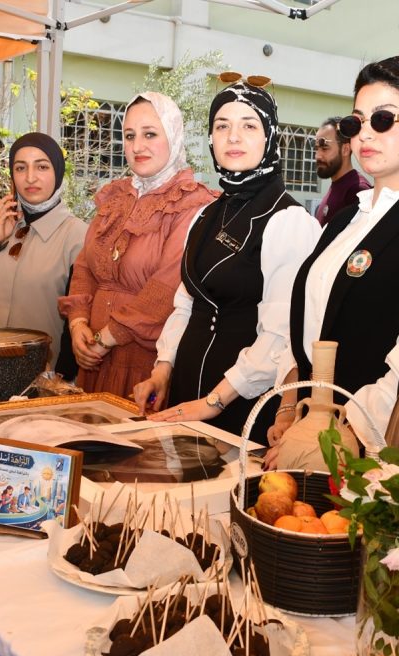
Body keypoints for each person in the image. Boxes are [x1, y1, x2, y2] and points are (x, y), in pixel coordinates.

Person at [266, 54, 399, 458]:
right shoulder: (344, 221)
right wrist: (291, 407)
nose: (365, 134)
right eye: (356, 122)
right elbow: (307, 326)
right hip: (310, 431)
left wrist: (335, 436)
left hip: (368, 454)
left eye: (383, 119)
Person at [133, 78, 321, 439]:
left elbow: (280, 336)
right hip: (187, 397)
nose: (233, 137)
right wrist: (163, 369)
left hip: (241, 408)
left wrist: (213, 401)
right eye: (222, 126)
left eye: (248, 126)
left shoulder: (290, 222)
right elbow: (186, 305)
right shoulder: (205, 214)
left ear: (270, 137)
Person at [59, 92, 216, 396]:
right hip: (93, 359)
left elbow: (166, 289)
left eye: (150, 134)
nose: (137, 146)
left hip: (146, 363)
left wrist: (105, 338)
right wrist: (78, 324)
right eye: (130, 136)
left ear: (173, 135)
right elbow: (85, 266)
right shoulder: (116, 197)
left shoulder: (191, 203)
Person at [0, 132, 88, 369]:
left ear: (57, 172)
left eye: (42, 167)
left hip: (40, 374)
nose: (30, 177)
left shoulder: (77, 235)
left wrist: (62, 379)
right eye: (20, 168)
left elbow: (76, 320)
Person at [313, 116, 371, 226]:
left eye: (324, 148)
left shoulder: (358, 192)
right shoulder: (338, 185)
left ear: (345, 149)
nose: (318, 156)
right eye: (316, 148)